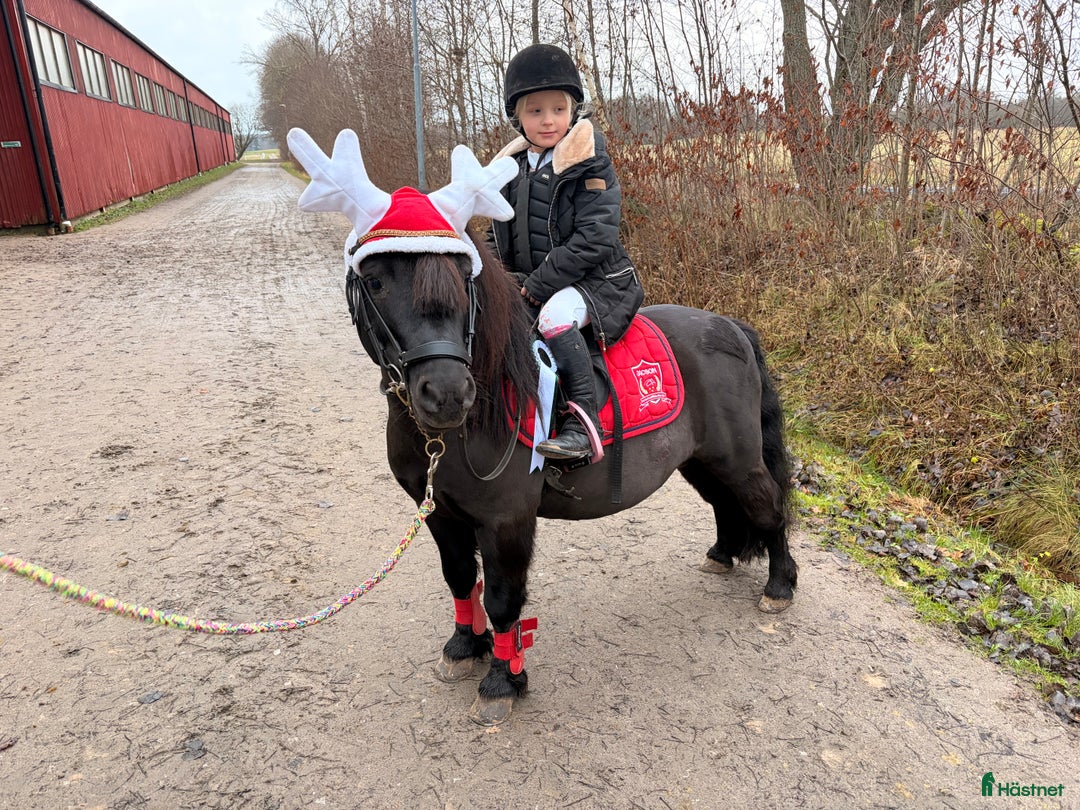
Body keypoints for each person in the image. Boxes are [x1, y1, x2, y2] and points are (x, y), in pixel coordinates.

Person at [489, 43, 644, 460]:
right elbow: (496, 234)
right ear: (517, 117)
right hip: (537, 283)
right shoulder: (510, 169)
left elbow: (597, 236)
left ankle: (582, 423)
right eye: (535, 110)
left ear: (573, 110)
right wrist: (490, 275)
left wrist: (537, 285)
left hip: (597, 281)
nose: (548, 120)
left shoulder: (590, 161)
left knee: (556, 318)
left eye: (558, 109)